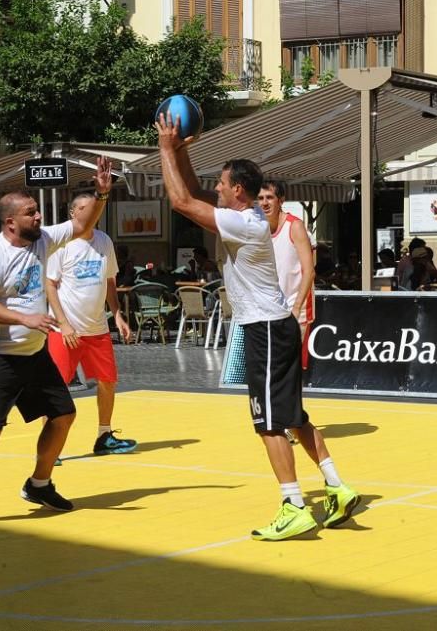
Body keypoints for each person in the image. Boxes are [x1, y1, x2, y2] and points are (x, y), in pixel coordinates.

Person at [156, 113, 359, 541]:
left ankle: (294, 505)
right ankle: (338, 487)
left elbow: (179, 201)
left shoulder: (243, 221)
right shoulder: (244, 218)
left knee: (268, 423)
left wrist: (163, 146)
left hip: (265, 329)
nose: (216, 189)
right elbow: (192, 191)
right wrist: (180, 151)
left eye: (222, 184)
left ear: (239, 192)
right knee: (294, 416)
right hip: (276, 325)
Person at [0, 157, 114, 529]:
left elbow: (81, 224)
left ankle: (39, 484)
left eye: (38, 212)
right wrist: (25, 317)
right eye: (31, 213)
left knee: (63, 416)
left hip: (33, 352)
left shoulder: (43, 239)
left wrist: (102, 194)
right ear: (11, 222)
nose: (39, 218)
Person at [45, 192, 136, 457]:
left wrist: (117, 314)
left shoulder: (104, 241)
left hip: (97, 329)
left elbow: (109, 281)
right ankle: (51, 448)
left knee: (108, 381)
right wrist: (63, 324)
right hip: (65, 331)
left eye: (94, 207)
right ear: (73, 214)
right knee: (56, 387)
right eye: (85, 208)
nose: (91, 212)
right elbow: (49, 284)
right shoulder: (61, 244)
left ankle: (104, 436)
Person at [258, 181, 315, 347]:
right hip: (270, 310)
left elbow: (309, 271)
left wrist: (296, 309)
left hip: (295, 309)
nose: (264, 202)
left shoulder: (295, 226)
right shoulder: (260, 229)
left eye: (269, 197)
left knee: (292, 366)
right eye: (260, 198)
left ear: (281, 200)